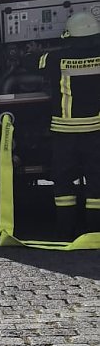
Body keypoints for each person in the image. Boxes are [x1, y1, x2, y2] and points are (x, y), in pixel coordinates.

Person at [38, 12, 100, 239]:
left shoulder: (54, 59)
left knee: (63, 181)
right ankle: (95, 230)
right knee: (97, 181)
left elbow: (36, 62)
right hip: (96, 131)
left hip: (65, 133)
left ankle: (65, 230)